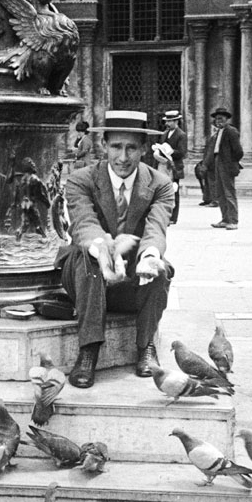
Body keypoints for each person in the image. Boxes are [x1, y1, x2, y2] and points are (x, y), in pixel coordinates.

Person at [55, 110, 174, 389]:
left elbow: (156, 228)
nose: (123, 157)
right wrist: (104, 251)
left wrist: (149, 256)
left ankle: (146, 347)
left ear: (144, 149)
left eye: (131, 147)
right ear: (104, 146)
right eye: (116, 147)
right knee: (87, 256)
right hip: (87, 277)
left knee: (161, 268)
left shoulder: (160, 185)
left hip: (132, 282)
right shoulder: (80, 180)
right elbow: (84, 223)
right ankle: (88, 350)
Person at [203, 107, 244, 230]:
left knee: (229, 192)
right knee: (220, 192)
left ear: (226, 119)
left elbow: (238, 151)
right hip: (217, 162)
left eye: (220, 119)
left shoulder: (231, 131)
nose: (218, 121)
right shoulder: (218, 133)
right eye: (216, 119)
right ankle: (225, 219)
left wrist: (230, 162)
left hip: (226, 164)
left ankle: (233, 220)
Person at [154, 109, 187, 224]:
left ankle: (173, 217)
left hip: (174, 167)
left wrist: (171, 151)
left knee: (174, 190)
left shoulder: (181, 135)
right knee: (162, 191)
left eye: (170, 121)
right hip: (163, 165)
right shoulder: (164, 134)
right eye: (167, 121)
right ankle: (164, 215)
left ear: (176, 121)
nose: (167, 124)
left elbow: (182, 153)